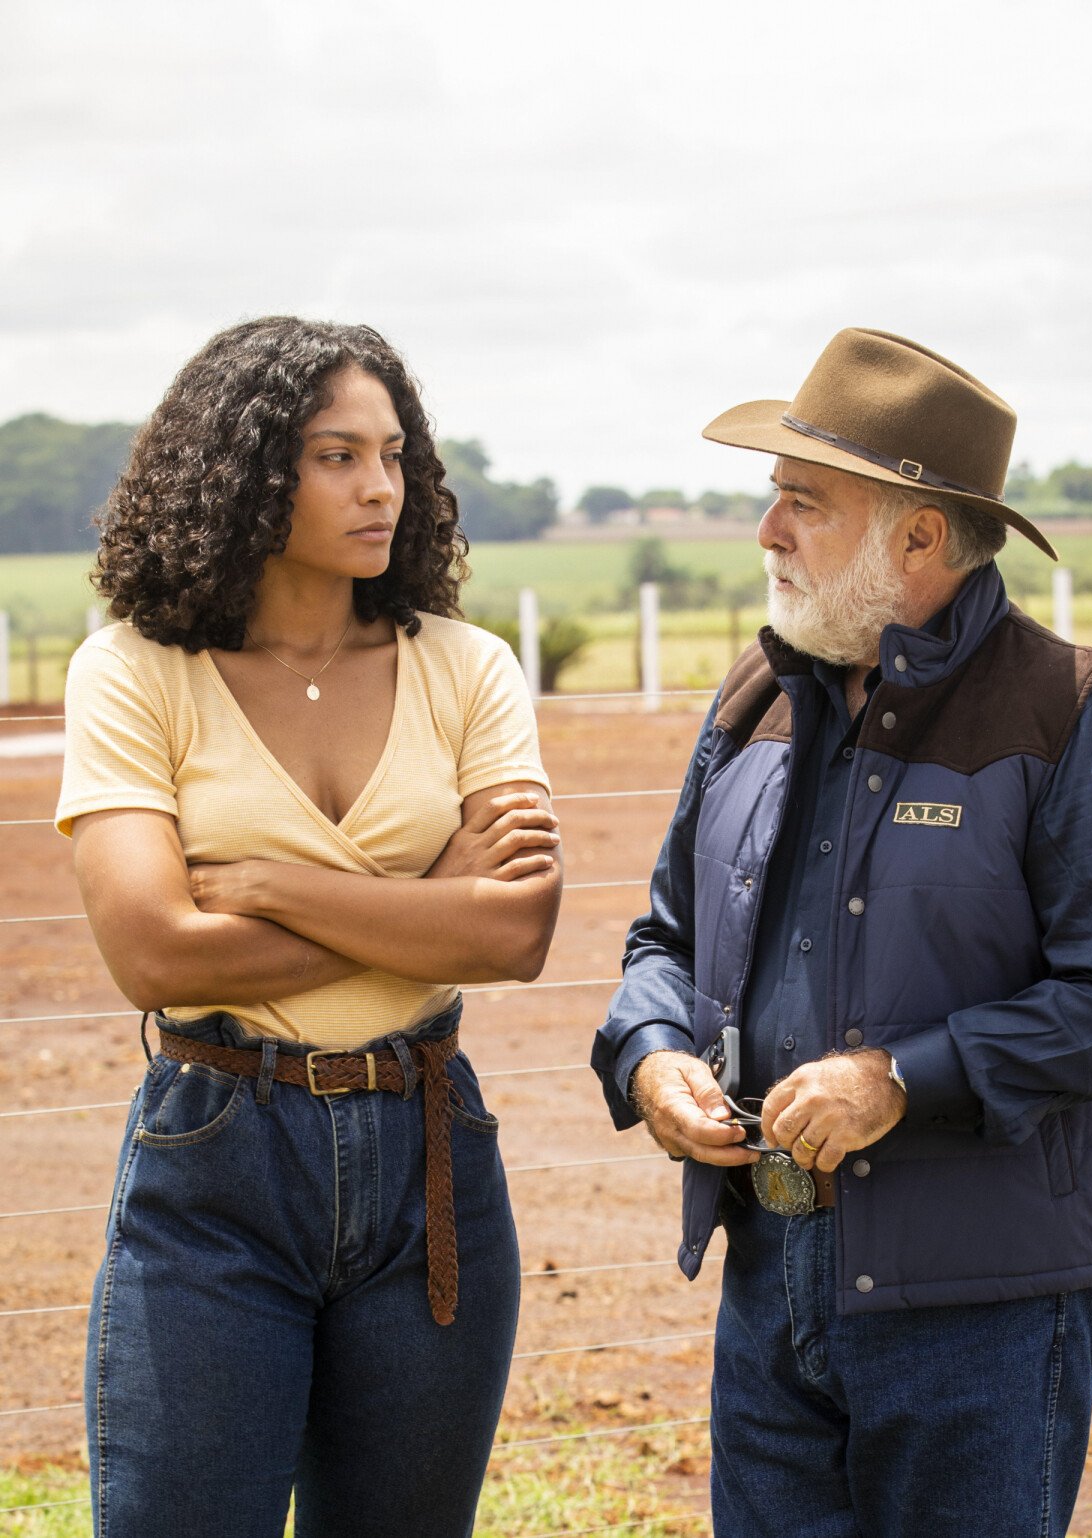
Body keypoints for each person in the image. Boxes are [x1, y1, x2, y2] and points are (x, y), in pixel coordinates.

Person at [592, 328, 1092, 1538]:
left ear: (918, 533)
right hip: (768, 1286)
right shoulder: (753, 701)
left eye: (801, 503)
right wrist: (650, 1053)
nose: (767, 532)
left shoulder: (1075, 714)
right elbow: (660, 937)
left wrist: (896, 1080)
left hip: (983, 1311)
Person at [56, 316, 563, 1538]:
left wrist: (277, 885)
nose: (380, 485)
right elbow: (157, 953)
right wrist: (427, 899)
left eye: (393, 453)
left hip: (429, 1159)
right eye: (336, 454)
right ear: (241, 468)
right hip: (218, 1151)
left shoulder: (468, 666)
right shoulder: (133, 671)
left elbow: (518, 934)